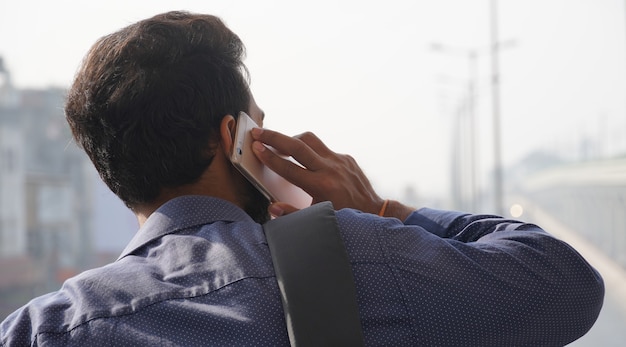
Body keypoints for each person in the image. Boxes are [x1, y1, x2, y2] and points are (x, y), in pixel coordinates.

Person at [0, 11, 603, 346]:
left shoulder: (42, 329)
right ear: (233, 138)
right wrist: (383, 209)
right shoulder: (357, 258)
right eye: (258, 129)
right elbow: (565, 284)